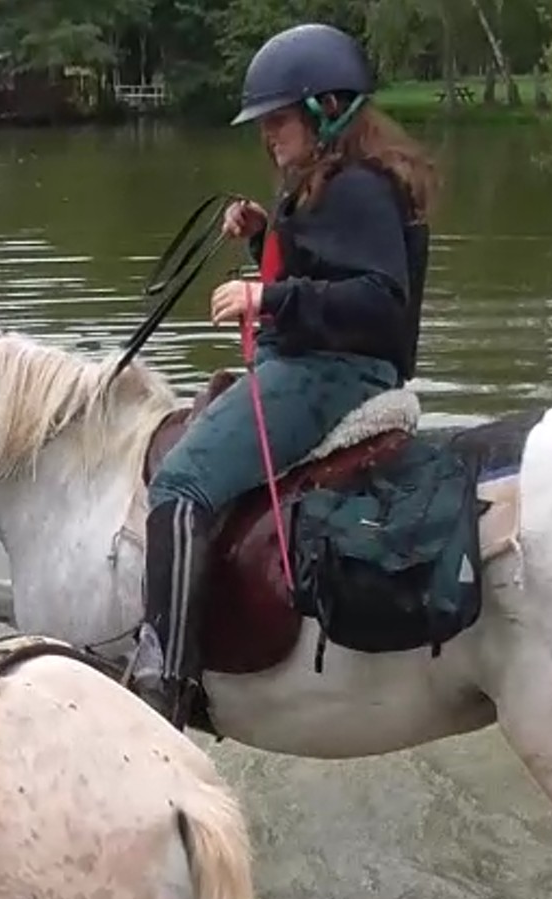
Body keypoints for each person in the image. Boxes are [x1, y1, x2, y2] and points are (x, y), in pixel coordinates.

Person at [125, 22, 439, 729]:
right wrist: (268, 236)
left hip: (329, 374)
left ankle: (164, 684)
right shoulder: (336, 180)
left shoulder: (356, 187)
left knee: (179, 484)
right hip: (319, 360)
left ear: (326, 108)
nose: (266, 136)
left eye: (276, 120)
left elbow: (377, 300)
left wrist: (267, 296)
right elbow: (332, 269)